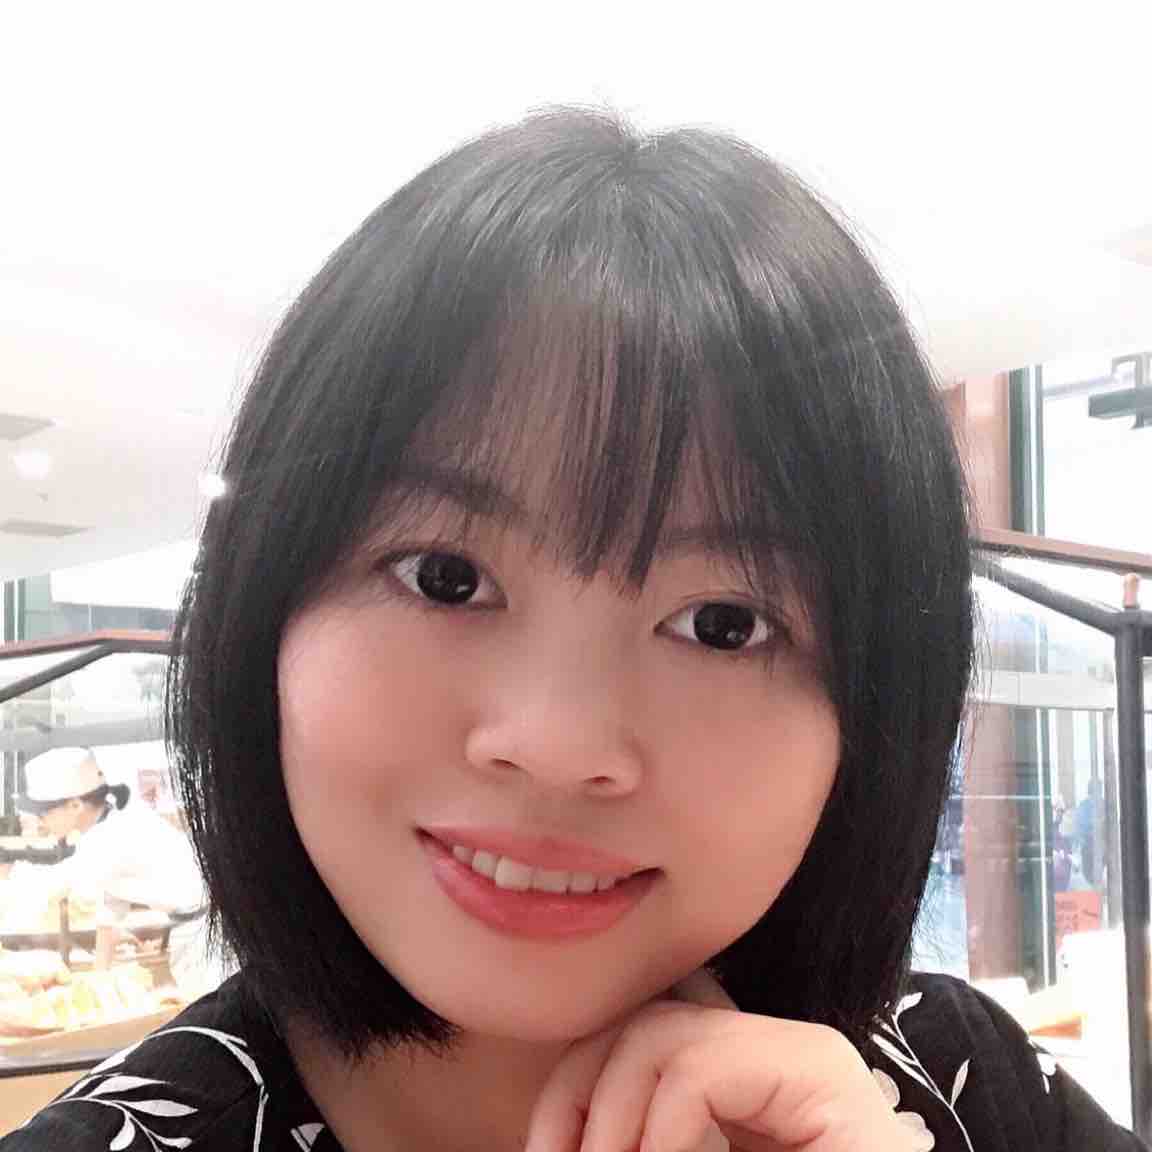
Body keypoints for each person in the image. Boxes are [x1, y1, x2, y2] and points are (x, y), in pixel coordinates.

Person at [1, 110, 1142, 1151]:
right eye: (445, 577)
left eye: (723, 623)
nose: (557, 743)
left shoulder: (962, 1082)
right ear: (266, 610)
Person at [2, 747, 215, 996]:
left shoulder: (107, 838)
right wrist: (99, 976)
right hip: (195, 928)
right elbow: (109, 915)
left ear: (75, 805)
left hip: (204, 935)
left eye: (43, 812)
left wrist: (7, 877)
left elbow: (53, 886)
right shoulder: (113, 824)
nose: (41, 821)